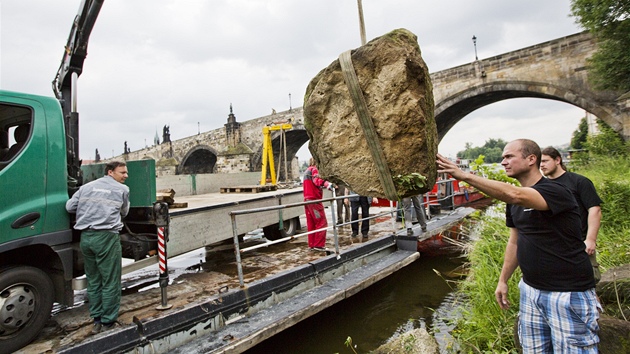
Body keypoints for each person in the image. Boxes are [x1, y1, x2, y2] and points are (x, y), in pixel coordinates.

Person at [436, 139, 600, 353]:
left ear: (531, 159)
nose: (503, 162)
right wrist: (503, 280)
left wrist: (464, 175)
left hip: (567, 293)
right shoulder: (513, 203)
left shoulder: (556, 190)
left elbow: (515, 194)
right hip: (531, 290)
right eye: (503, 157)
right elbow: (515, 240)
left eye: (509, 156)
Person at [66, 161, 130, 334]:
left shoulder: (86, 187)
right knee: (110, 280)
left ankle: (96, 320)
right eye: (122, 172)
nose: (126, 175)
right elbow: (124, 212)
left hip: (86, 238)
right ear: (110, 172)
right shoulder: (122, 190)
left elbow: (69, 207)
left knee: (94, 280)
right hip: (106, 237)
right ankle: (108, 321)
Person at [540, 146, 603, 283]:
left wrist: (591, 239)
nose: (541, 165)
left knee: (589, 283)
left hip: (579, 243)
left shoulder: (579, 181)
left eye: (545, 161)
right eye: (540, 162)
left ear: (557, 160)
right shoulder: (542, 187)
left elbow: (594, 209)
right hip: (555, 247)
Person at [303, 157, 334, 251]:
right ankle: (319, 245)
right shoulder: (314, 169)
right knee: (321, 222)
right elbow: (317, 180)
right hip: (315, 201)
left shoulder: (306, 171)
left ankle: (312, 245)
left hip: (307, 200)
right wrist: (327, 184)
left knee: (311, 223)